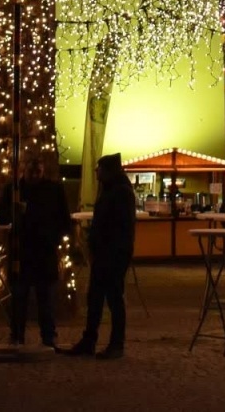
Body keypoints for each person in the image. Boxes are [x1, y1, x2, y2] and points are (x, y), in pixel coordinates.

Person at [65, 153, 136, 359]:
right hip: (108, 251)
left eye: (99, 168)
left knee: (113, 298)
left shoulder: (118, 192)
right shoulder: (115, 190)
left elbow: (116, 226)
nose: (96, 171)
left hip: (112, 253)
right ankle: (91, 340)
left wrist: (100, 241)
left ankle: (114, 344)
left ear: (108, 171)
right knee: (97, 297)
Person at [0, 155, 72, 348]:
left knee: (45, 296)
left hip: (44, 250)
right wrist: (15, 211)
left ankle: (48, 336)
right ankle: (17, 334)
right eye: (31, 171)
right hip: (21, 250)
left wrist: (54, 238)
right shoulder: (13, 190)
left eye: (38, 171)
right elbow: (2, 217)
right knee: (19, 296)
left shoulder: (53, 190)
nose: (35, 175)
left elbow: (64, 219)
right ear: (24, 171)